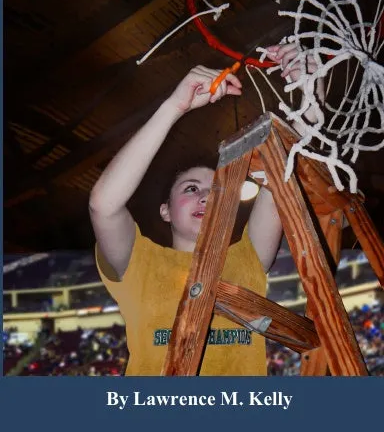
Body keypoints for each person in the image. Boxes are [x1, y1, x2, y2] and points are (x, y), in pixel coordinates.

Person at [90, 43, 322, 376]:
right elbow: (103, 204)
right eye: (191, 189)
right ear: (165, 211)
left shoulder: (247, 257)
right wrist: (174, 106)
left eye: (215, 191)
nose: (205, 197)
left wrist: (310, 101)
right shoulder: (139, 264)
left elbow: (284, 167)